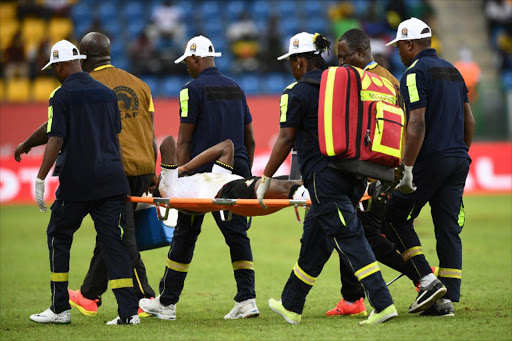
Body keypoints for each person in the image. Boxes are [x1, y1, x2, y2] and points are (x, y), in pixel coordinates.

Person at [15, 32, 158, 318]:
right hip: (116, 178)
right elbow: (125, 136)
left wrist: (41, 177)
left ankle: (60, 308)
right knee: (113, 243)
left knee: (59, 235)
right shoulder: (114, 92)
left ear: (60, 66)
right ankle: (125, 311)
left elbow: (56, 136)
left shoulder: (62, 94)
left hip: (79, 182)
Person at [259, 32, 397, 325]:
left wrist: (266, 177)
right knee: (316, 239)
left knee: (350, 237)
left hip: (323, 179)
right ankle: (291, 304)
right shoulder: (345, 84)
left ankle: (383, 303)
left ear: (299, 62)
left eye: (291, 62)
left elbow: (285, 139)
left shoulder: (299, 91)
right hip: (354, 173)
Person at [139, 35, 258, 321]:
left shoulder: (190, 89)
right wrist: (245, 172)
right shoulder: (236, 87)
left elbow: (183, 141)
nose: (187, 69)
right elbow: (250, 138)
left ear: (194, 58)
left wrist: (179, 175)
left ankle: (167, 303)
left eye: (187, 63)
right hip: (235, 171)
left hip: (202, 177)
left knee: (185, 234)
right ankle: (247, 299)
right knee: (237, 234)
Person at [326, 28, 421, 317]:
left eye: (344, 57)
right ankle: (352, 298)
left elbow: (390, 128)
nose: (340, 64)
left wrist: (384, 172)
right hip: (367, 169)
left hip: (373, 171)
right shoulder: (379, 79)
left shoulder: (374, 80)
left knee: (366, 236)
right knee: (347, 231)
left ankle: (423, 276)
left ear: (360, 53)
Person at [384, 17, 475, 316]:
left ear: (410, 44)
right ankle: (446, 299)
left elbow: (417, 123)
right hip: (458, 159)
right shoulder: (454, 71)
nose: (398, 52)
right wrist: (459, 153)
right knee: (448, 227)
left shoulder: (414, 73)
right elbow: (469, 120)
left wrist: (407, 169)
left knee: (394, 216)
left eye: (399, 46)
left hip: (430, 160)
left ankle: (428, 282)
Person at [157, 136, 308, 202]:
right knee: (286, 186)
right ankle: (304, 193)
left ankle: (305, 189)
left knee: (290, 182)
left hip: (236, 183)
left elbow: (227, 146)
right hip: (227, 191)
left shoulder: (203, 180)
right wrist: (181, 169)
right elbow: (168, 142)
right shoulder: (167, 188)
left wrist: (185, 168)